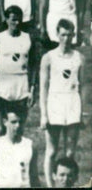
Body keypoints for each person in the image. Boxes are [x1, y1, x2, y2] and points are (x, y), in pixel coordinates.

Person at [39, 17, 85, 188]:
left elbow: (83, 88)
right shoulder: (48, 58)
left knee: (70, 151)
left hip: (72, 102)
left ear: (73, 36)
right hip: (55, 103)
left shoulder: (79, 57)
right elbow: (43, 88)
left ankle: (68, 183)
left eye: (69, 35)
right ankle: (51, 186)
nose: (66, 39)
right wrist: (44, 114)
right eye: (63, 35)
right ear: (57, 35)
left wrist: (81, 113)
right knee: (51, 151)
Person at [0, 5, 36, 137]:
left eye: (19, 19)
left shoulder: (28, 38)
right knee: (0, 128)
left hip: (21, 86)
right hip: (3, 86)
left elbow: (33, 65)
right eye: (13, 19)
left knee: (18, 128)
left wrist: (32, 90)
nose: (17, 23)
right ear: (7, 20)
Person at [0, 108, 38, 188]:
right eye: (14, 122)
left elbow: (34, 177)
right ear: (5, 122)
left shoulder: (30, 146)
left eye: (20, 122)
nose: (17, 125)